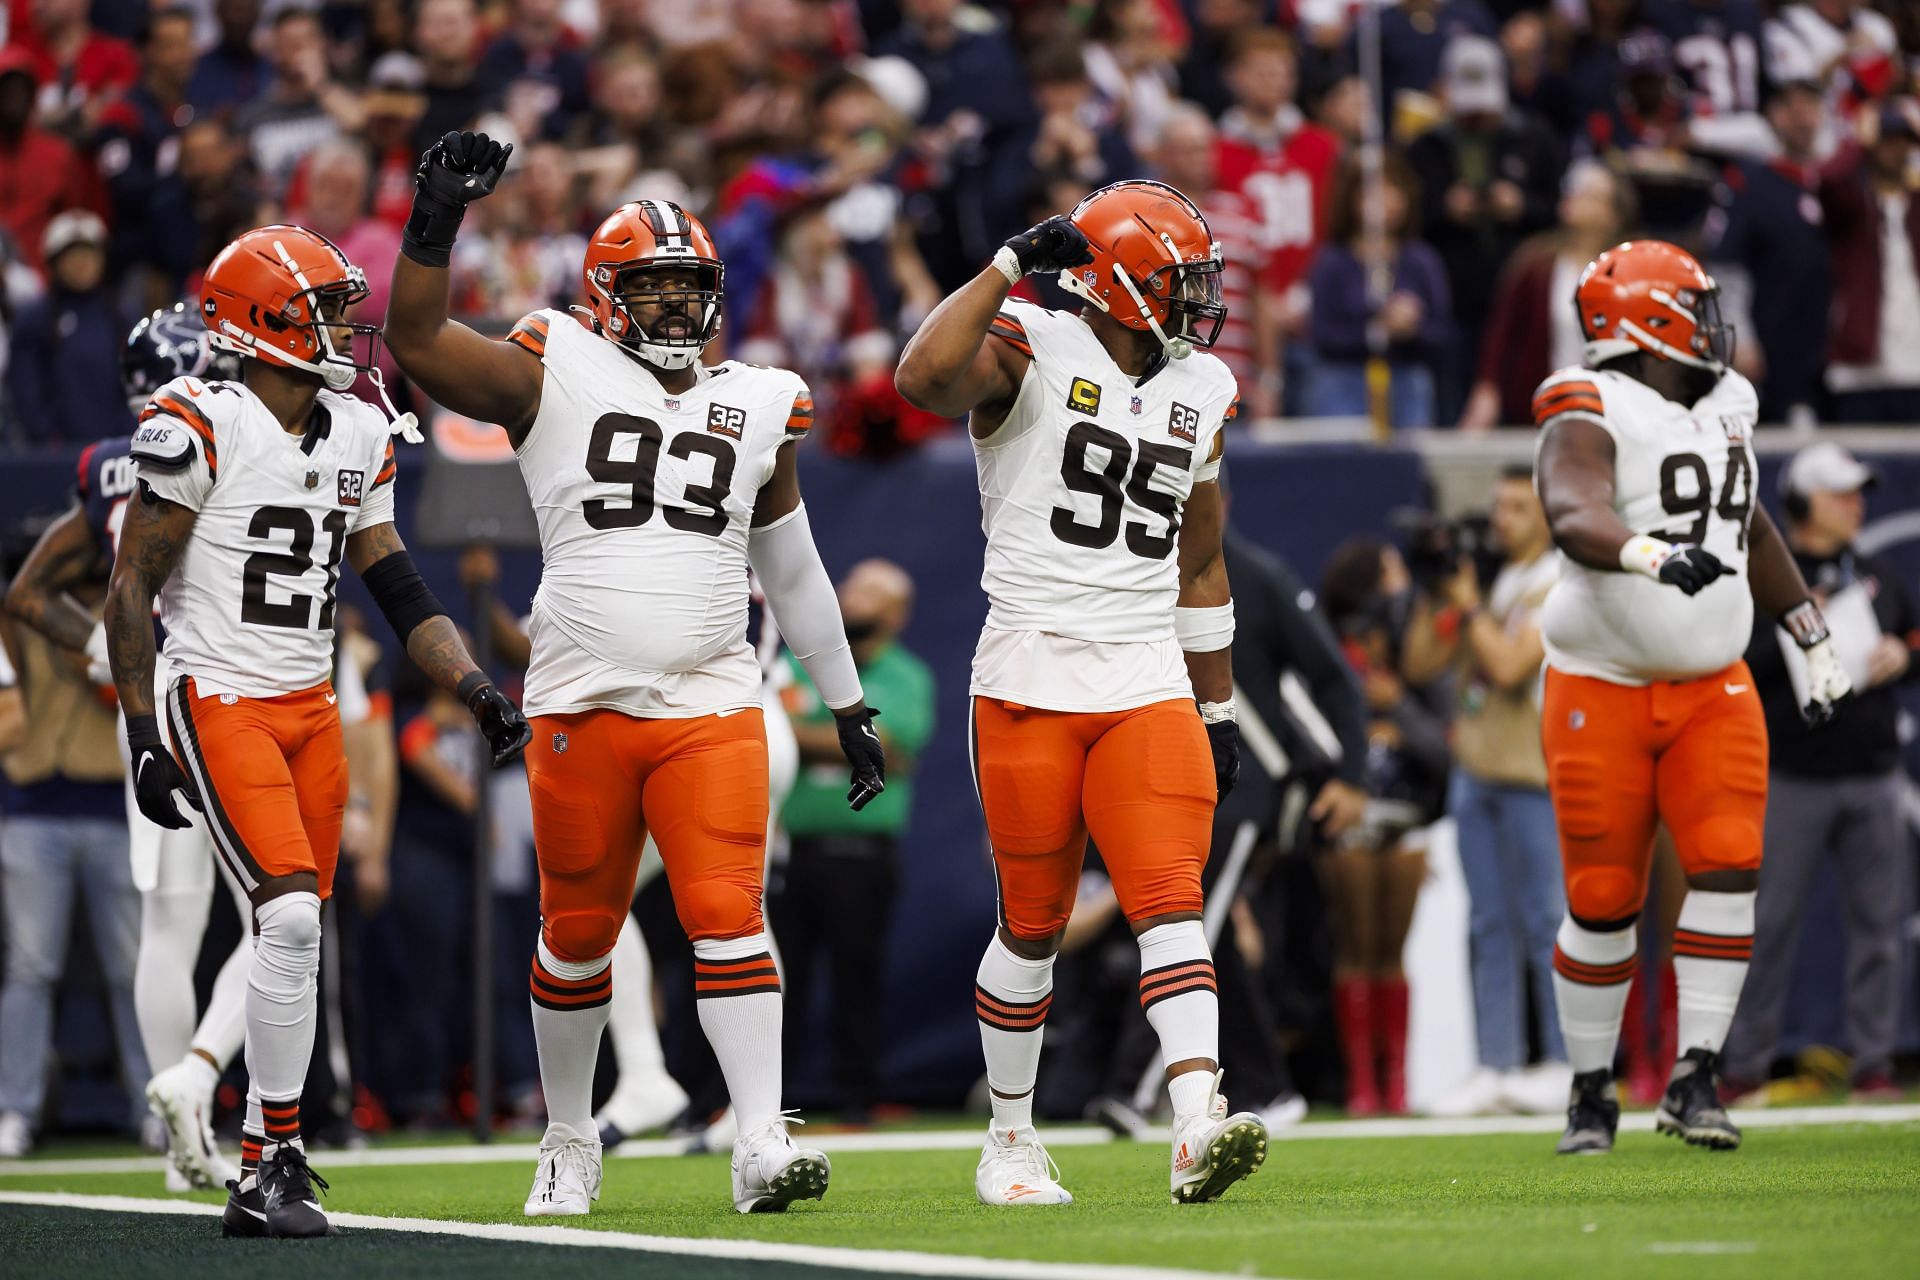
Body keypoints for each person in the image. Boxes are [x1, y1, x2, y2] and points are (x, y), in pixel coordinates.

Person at [383, 131, 885, 1217]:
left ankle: (760, 1135)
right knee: (577, 933)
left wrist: (846, 701)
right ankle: (569, 1132)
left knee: (728, 913)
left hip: (712, 696)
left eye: (688, 288)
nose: (672, 308)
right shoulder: (549, 360)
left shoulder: (758, 398)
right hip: (580, 698)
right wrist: (435, 219)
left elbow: (792, 567)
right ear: (606, 295)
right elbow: (416, 337)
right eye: (651, 288)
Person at [102, 223, 529, 1237]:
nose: (345, 325)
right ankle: (271, 1160)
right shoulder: (196, 418)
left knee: (296, 931)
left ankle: (266, 1158)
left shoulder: (359, 429)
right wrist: (141, 731)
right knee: (288, 918)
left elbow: (396, 584)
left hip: (311, 703)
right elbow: (131, 590)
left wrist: (476, 687)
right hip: (218, 691)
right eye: (325, 309)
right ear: (263, 324)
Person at [896, 179, 1268, 1206]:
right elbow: (921, 376)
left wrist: (1220, 702)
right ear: (1116, 282)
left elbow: (1201, 562)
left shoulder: (1205, 388)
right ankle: (1009, 1137)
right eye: (1177, 280)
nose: (1199, 299)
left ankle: (1197, 1116)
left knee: (1168, 901)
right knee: (1034, 920)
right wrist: (1011, 261)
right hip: (1031, 669)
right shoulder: (1032, 340)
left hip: (1147, 671)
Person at [1531, 239, 1853, 1156]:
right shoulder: (1586, 399)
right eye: (1694, 307)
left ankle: (1694, 1077)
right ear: (1642, 321)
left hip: (1714, 683)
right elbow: (1572, 503)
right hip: (1603, 684)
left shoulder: (1731, 404)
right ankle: (1592, 1091)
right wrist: (1646, 553)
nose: (1713, 326)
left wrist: (1809, 636)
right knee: (1602, 896)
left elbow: (1742, 516)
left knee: (1728, 862)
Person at [3, 304, 253, 1191]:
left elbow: (30, 591)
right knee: (282, 911)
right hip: (230, 691)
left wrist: (101, 648)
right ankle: (209, 1079)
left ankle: (177, 1128)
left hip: (146, 708)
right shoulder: (227, 440)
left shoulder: (109, 466)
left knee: (168, 925)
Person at [1723, 444, 1916, 1101]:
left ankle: (1875, 1062)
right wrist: (1805, 625)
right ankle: (1746, 1062)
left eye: (1858, 493)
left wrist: (1901, 656)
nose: (1856, 505)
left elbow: (1912, 638)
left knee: (1880, 926)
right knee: (1770, 923)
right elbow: (1739, 660)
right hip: (1793, 773)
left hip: (1873, 771)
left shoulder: (1876, 573)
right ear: (1803, 505)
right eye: (1841, 494)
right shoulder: (1767, 576)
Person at [1402, 469, 1568, 1114]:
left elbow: (1505, 665)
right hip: (1476, 770)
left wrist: (1467, 605)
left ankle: (1561, 1062)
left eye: (1518, 508)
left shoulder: (1558, 583)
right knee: (1486, 924)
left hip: (1533, 773)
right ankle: (1495, 1066)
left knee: (1544, 921)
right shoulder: (1490, 581)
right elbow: (1418, 664)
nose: (1501, 519)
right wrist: (1433, 592)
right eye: (1497, 505)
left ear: (1549, 517)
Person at [773, 558, 935, 1121]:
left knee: (856, 976)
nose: (854, 600)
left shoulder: (905, 675)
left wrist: (784, 730)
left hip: (860, 852)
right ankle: (767, 1102)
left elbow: (885, 741)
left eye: (871, 594)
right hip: (788, 850)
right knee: (777, 977)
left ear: (898, 613)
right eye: (851, 588)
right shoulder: (795, 664)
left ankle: (856, 1101)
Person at [1318, 538, 1449, 1115]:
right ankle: (1359, 1085)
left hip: (1408, 816)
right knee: (1355, 946)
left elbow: (1445, 748)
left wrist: (1395, 704)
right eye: (1390, 574)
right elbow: (1311, 729)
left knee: (1392, 951)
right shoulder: (1327, 650)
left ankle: (1394, 1082)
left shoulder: (1416, 657)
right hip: (1348, 819)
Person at [1303, 153, 1453, 428]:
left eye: (1393, 189)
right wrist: (1378, 327)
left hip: (1407, 380)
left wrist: (1412, 329)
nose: (1385, 200)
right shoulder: (1332, 262)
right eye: (1373, 191)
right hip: (1342, 382)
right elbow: (1321, 334)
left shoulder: (1421, 261)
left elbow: (1441, 332)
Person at [7, 210, 129, 444]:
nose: (82, 264)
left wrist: (127, 437)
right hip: (57, 455)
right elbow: (26, 392)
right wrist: (48, 439)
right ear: (54, 263)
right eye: (72, 256)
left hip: (118, 452)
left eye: (89, 254)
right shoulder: (34, 320)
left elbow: (135, 384)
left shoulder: (121, 316)